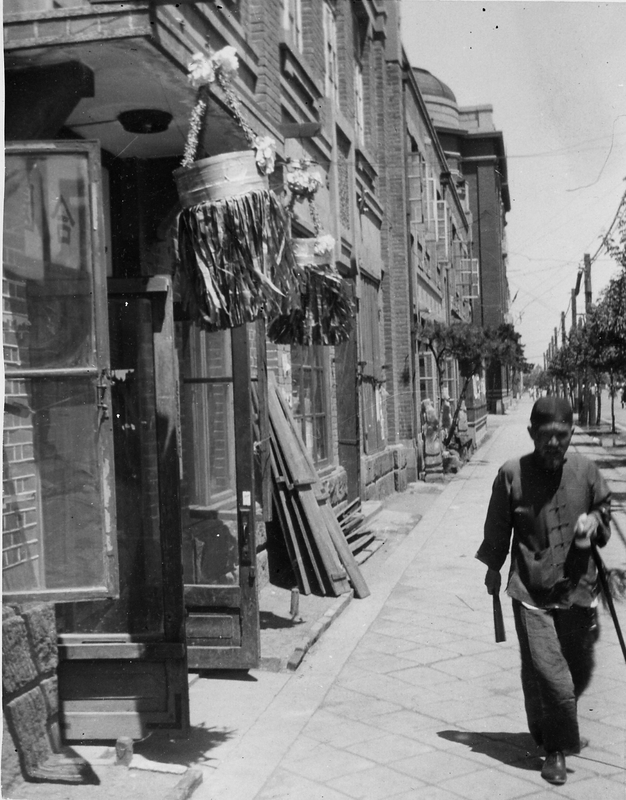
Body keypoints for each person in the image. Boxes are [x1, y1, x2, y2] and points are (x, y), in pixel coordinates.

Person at [476, 396, 611, 786]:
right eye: (547, 436)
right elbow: (498, 526)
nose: (555, 444)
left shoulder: (586, 472)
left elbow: (604, 513)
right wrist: (492, 567)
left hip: (577, 590)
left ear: (571, 435)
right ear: (533, 433)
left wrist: (594, 524)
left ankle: (553, 725)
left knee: (576, 671)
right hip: (531, 590)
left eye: (563, 436)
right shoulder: (511, 473)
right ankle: (555, 748)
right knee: (552, 675)